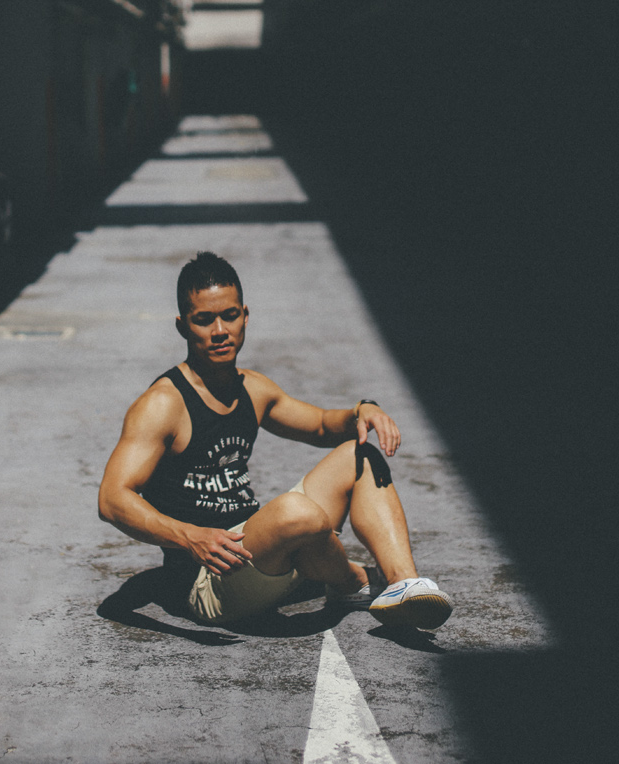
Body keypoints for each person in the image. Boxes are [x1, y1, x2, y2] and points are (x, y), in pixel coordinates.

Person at [98, 251, 453, 629]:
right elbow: (112, 498)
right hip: (209, 581)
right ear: (183, 325)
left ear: (245, 316)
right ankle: (355, 581)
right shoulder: (162, 404)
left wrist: (362, 410)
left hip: (262, 547)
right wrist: (190, 538)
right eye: (204, 320)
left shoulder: (252, 388)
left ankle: (402, 584)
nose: (220, 331)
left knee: (358, 455)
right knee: (295, 512)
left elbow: (319, 425)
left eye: (230, 316)